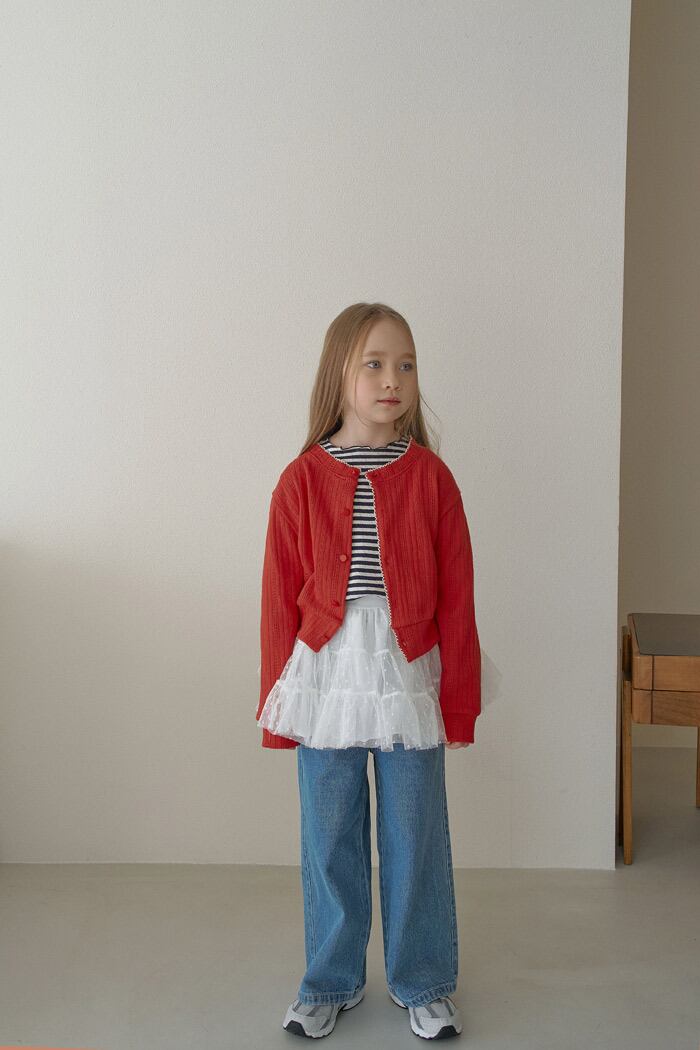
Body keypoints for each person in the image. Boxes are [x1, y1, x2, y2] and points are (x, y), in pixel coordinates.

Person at [256, 302, 482, 1040]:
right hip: (323, 679)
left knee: (415, 834)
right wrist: (276, 708)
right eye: (375, 364)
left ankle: (424, 980)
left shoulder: (433, 480)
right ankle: (331, 980)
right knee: (329, 836)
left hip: (408, 674)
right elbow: (277, 600)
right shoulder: (298, 480)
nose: (394, 380)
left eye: (406, 364)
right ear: (339, 375)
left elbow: (458, 600)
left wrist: (460, 702)